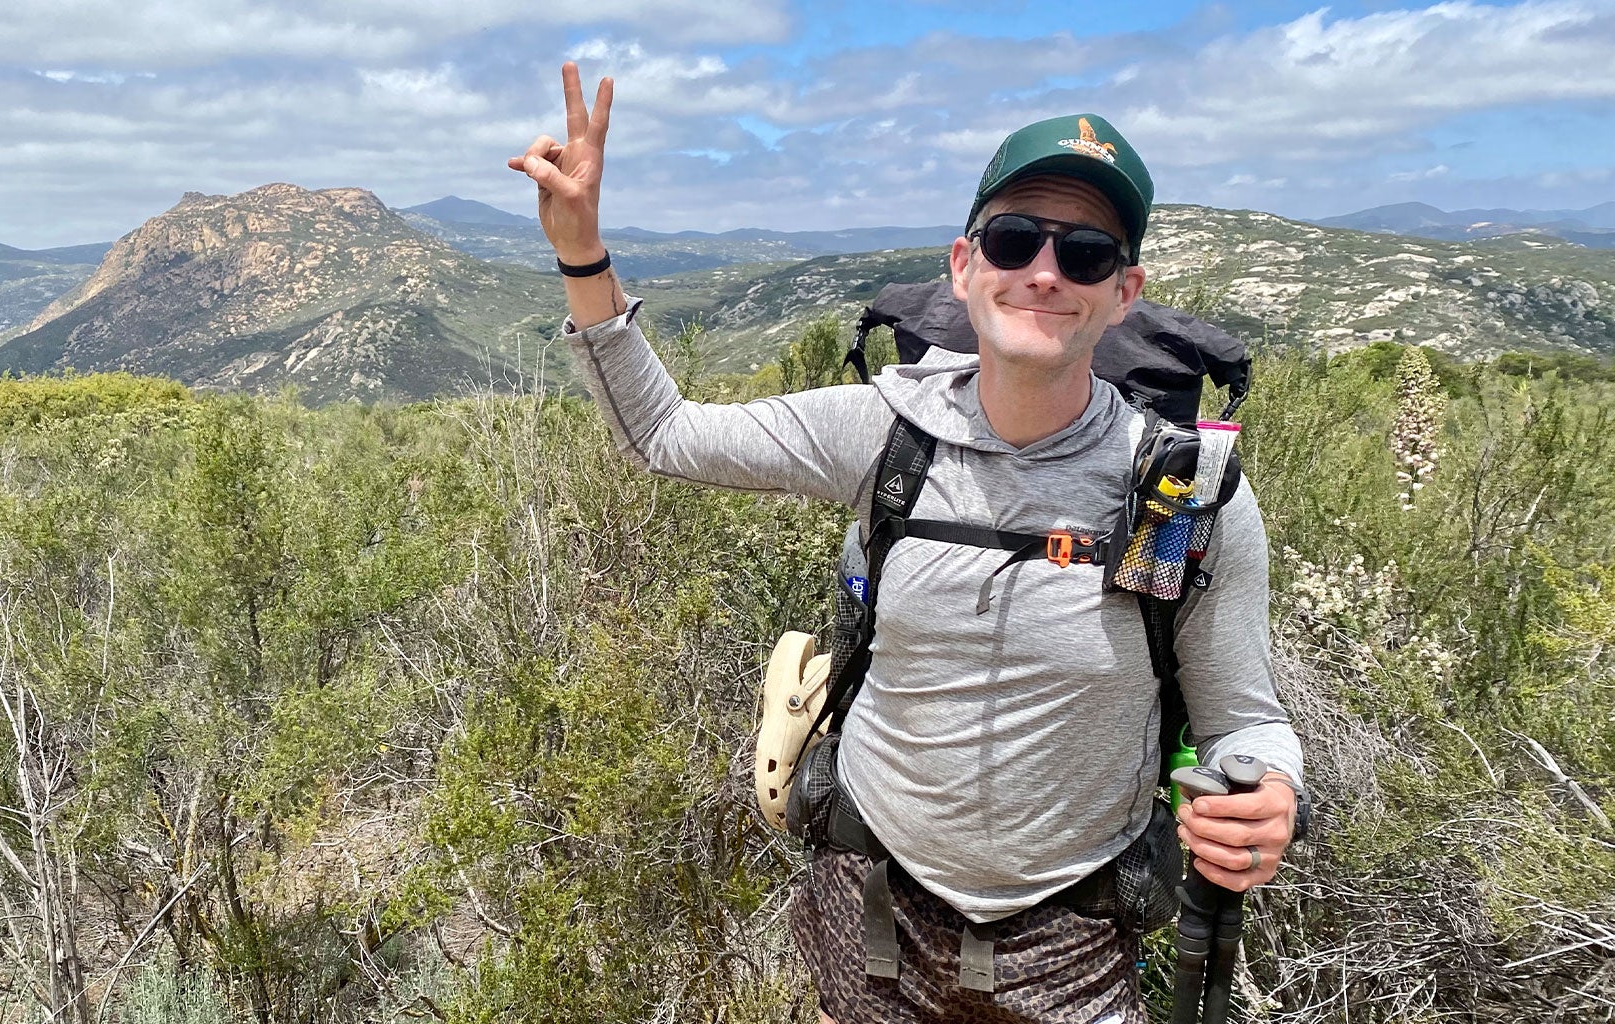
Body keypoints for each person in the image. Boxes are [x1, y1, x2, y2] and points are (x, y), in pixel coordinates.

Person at [509, 62, 1304, 1024]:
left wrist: (1268, 793)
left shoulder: (1186, 492)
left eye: (1087, 254)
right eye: (1016, 239)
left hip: (1074, 944)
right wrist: (584, 256)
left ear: (1124, 291)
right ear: (966, 266)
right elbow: (663, 435)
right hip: (871, 909)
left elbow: (1242, 721)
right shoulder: (884, 430)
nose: (1046, 270)